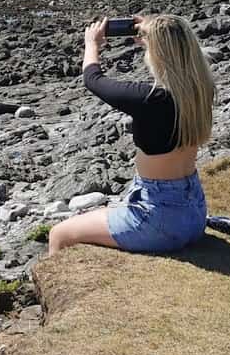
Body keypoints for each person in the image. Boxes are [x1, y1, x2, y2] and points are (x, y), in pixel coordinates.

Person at [48, 14, 214, 256]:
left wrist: (92, 45)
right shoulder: (202, 90)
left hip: (159, 221)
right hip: (194, 213)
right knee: (99, 216)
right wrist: (152, 32)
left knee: (59, 234)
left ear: (157, 53)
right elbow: (177, 53)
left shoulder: (149, 99)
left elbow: (93, 80)